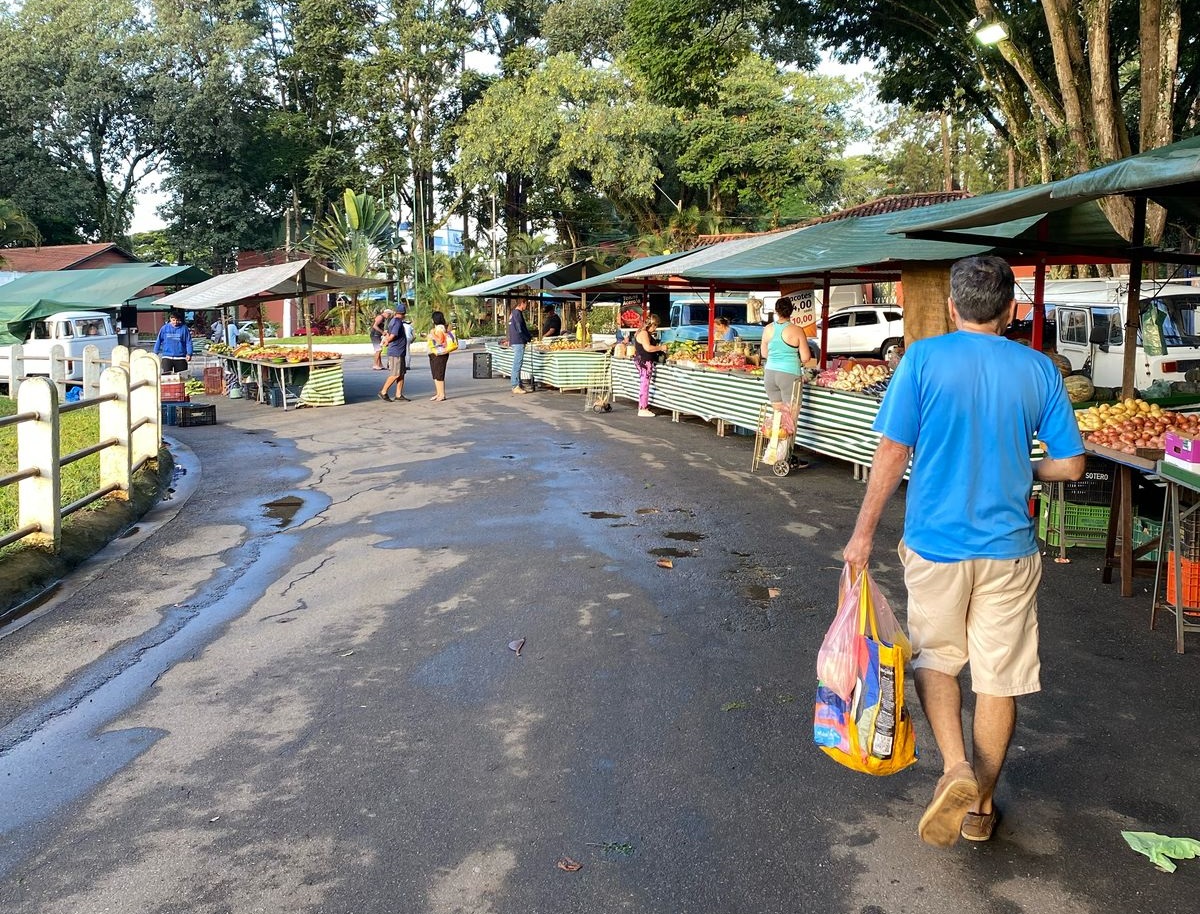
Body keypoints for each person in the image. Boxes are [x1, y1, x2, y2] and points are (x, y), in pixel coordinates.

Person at [842, 255, 1085, 848]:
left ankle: (954, 768)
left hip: (935, 545)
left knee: (937, 659)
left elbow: (894, 452)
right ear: (1011, 311)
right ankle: (979, 808)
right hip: (1009, 549)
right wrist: (1024, 467)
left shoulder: (923, 358)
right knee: (998, 677)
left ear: (953, 307)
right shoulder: (1039, 369)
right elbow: (1072, 464)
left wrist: (863, 533)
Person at [760, 296, 816, 440]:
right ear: (792, 311)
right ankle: (786, 457)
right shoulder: (797, 330)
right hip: (789, 375)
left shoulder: (768, 329)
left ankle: (775, 453)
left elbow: (764, 353)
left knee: (778, 418)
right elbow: (805, 358)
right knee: (790, 420)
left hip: (770, 375)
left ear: (776, 311)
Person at [633, 314, 667, 417]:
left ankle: (643, 406)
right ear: (650, 324)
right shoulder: (644, 333)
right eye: (655, 326)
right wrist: (661, 348)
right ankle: (643, 408)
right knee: (645, 383)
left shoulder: (641, 332)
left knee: (645, 383)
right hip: (644, 361)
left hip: (642, 360)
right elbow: (648, 348)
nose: (655, 328)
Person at [378, 305, 409, 402]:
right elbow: (393, 335)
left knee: (401, 373)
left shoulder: (393, 321)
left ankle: (399, 394)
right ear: (404, 314)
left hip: (400, 351)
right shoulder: (397, 322)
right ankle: (383, 391)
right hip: (396, 352)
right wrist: (387, 341)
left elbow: (388, 333)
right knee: (395, 374)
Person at [426, 309, 456, 401]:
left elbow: (439, 341)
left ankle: (442, 394)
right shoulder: (440, 327)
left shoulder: (439, 328)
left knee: (439, 374)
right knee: (435, 374)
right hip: (434, 353)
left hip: (439, 354)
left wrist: (431, 334)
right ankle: (438, 393)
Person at [507, 300, 533, 394]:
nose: (527, 306)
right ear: (522, 303)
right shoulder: (517, 314)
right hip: (518, 341)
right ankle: (515, 385)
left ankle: (518, 384)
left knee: (518, 363)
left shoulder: (513, 313)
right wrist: (527, 338)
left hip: (515, 340)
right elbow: (519, 329)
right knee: (517, 363)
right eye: (526, 304)